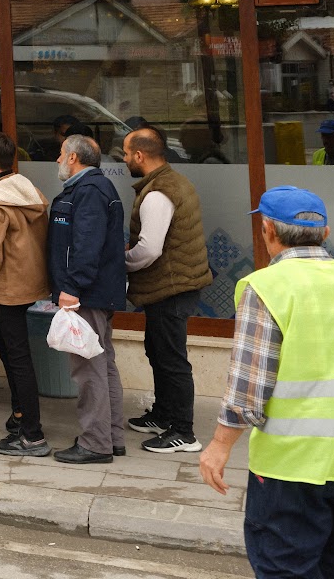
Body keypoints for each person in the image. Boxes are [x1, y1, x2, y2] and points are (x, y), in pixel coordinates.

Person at [200, 186, 334, 577]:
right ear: (325, 233)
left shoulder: (266, 287)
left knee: (286, 568)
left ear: (268, 231)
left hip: (290, 466)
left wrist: (219, 445)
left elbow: (250, 383)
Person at [122, 124, 212, 454]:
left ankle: (183, 432)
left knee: (172, 359)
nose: (124, 158)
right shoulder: (170, 181)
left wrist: (122, 262)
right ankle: (163, 414)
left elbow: (148, 250)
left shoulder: (158, 194)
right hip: (173, 285)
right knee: (158, 351)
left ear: (140, 155)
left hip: (171, 288)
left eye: (126, 153)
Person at [0, 132, 50, 458]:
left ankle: (32, 435)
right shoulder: (27, 191)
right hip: (31, 280)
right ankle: (20, 415)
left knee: (18, 359)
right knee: (3, 340)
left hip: (9, 287)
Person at [48, 134, 127, 464]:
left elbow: (87, 245)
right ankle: (112, 437)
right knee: (103, 363)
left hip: (86, 295)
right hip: (94, 292)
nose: (56, 160)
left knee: (89, 369)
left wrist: (73, 288)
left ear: (72, 158)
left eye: (60, 154)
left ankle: (96, 443)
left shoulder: (90, 191)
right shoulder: (89, 188)